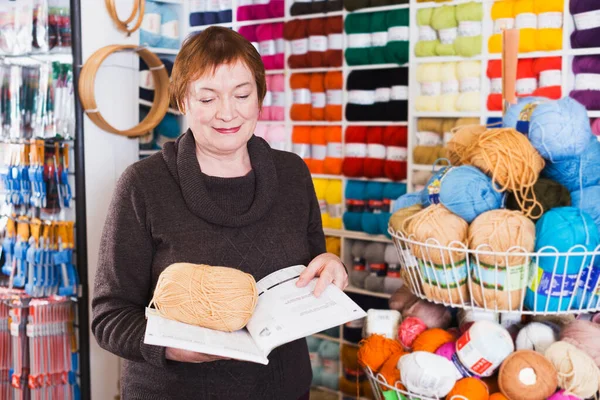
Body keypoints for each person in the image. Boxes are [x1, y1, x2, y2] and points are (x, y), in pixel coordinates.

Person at [91, 26, 349, 400]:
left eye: (242, 94)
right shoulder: (143, 185)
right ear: (183, 102)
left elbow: (311, 271)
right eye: (208, 98)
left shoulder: (292, 174)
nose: (227, 112)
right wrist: (171, 347)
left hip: (283, 389)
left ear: (260, 97)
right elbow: (109, 315)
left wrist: (329, 266)